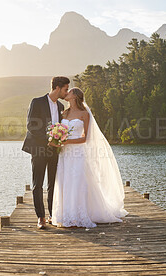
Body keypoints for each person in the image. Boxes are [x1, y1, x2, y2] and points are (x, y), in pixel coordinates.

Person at [50, 87, 128, 228]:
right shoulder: (65, 113)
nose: (66, 93)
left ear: (75, 96)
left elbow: (85, 138)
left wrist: (68, 141)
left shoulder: (84, 114)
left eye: (69, 91)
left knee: (78, 182)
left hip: (78, 152)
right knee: (65, 181)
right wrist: (58, 140)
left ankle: (80, 214)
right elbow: (60, 130)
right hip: (65, 153)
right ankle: (67, 214)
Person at [22, 76, 69, 229]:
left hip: (54, 150)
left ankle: (51, 215)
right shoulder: (37, 102)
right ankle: (40, 217)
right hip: (38, 148)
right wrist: (47, 139)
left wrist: (59, 141)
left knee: (53, 184)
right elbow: (31, 125)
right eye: (65, 89)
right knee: (38, 184)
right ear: (57, 88)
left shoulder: (61, 107)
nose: (66, 92)